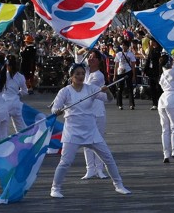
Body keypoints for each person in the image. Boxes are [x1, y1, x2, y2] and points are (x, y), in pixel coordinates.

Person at [49, 63, 131, 199]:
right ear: (71, 76)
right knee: (65, 162)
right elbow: (54, 108)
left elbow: (109, 100)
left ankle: (119, 185)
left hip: (91, 130)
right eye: (77, 74)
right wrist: (56, 111)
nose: (81, 76)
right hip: (72, 131)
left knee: (108, 158)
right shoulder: (65, 91)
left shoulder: (91, 89)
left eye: (82, 73)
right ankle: (55, 188)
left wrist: (108, 91)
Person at [81, 50, 110, 180]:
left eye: (93, 57)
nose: (90, 59)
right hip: (86, 111)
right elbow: (78, 60)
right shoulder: (85, 72)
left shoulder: (98, 75)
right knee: (87, 141)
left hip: (97, 112)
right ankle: (90, 169)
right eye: (89, 57)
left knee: (98, 140)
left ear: (99, 61)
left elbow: (86, 88)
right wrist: (85, 50)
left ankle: (100, 168)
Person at [2, 55, 28, 132]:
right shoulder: (21, 77)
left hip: (5, 103)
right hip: (16, 103)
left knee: (3, 129)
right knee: (21, 128)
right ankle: (23, 143)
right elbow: (25, 91)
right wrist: (17, 94)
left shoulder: (3, 75)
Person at [112, 40, 137, 110]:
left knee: (130, 88)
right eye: (123, 45)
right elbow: (116, 66)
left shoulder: (130, 54)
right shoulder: (118, 54)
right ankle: (120, 104)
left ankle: (131, 104)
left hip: (128, 71)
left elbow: (133, 65)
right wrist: (115, 75)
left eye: (125, 45)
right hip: (120, 72)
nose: (124, 46)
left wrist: (134, 76)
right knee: (120, 88)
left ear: (128, 46)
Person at [141, 38, 163, 111]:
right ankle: (154, 104)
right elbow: (148, 60)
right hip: (151, 71)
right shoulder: (151, 50)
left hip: (158, 71)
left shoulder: (160, 50)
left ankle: (160, 103)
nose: (150, 42)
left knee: (159, 88)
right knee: (152, 88)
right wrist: (145, 70)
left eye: (151, 41)